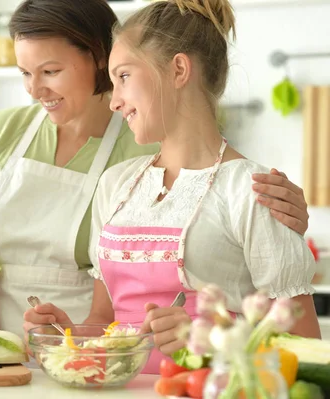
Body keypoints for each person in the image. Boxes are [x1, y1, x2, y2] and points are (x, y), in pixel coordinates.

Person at [0, 0, 310, 339]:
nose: (34, 89)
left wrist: (215, 327)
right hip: (10, 349)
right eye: (25, 73)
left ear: (96, 60)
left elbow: (297, 335)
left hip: (126, 366)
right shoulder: (24, 140)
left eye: (50, 71)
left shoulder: (161, 165)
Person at [23, 0, 321, 375]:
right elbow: (106, 319)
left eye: (124, 77)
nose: (114, 101)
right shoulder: (118, 185)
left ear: (179, 69)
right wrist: (67, 335)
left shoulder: (253, 190)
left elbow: (306, 350)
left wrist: (214, 344)